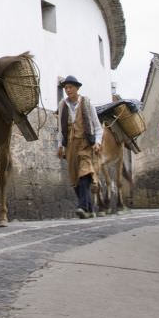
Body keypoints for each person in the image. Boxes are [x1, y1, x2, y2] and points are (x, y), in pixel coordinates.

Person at [56, 75, 101, 218]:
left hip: (85, 144)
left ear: (77, 88)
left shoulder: (87, 103)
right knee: (74, 178)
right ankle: (88, 208)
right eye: (66, 88)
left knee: (85, 173)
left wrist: (97, 142)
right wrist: (60, 146)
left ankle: (81, 206)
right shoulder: (63, 105)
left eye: (70, 87)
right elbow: (60, 129)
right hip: (70, 146)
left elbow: (97, 126)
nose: (68, 90)